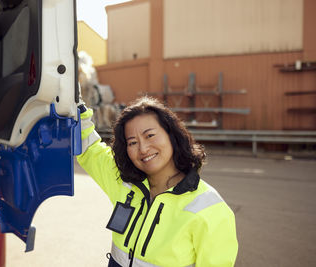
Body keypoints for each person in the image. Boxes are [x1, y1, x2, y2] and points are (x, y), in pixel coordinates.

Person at [77, 96, 238, 267]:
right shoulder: (124, 183)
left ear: (171, 135)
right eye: (132, 142)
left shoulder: (209, 209)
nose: (143, 149)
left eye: (150, 135)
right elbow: (90, 149)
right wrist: (76, 106)